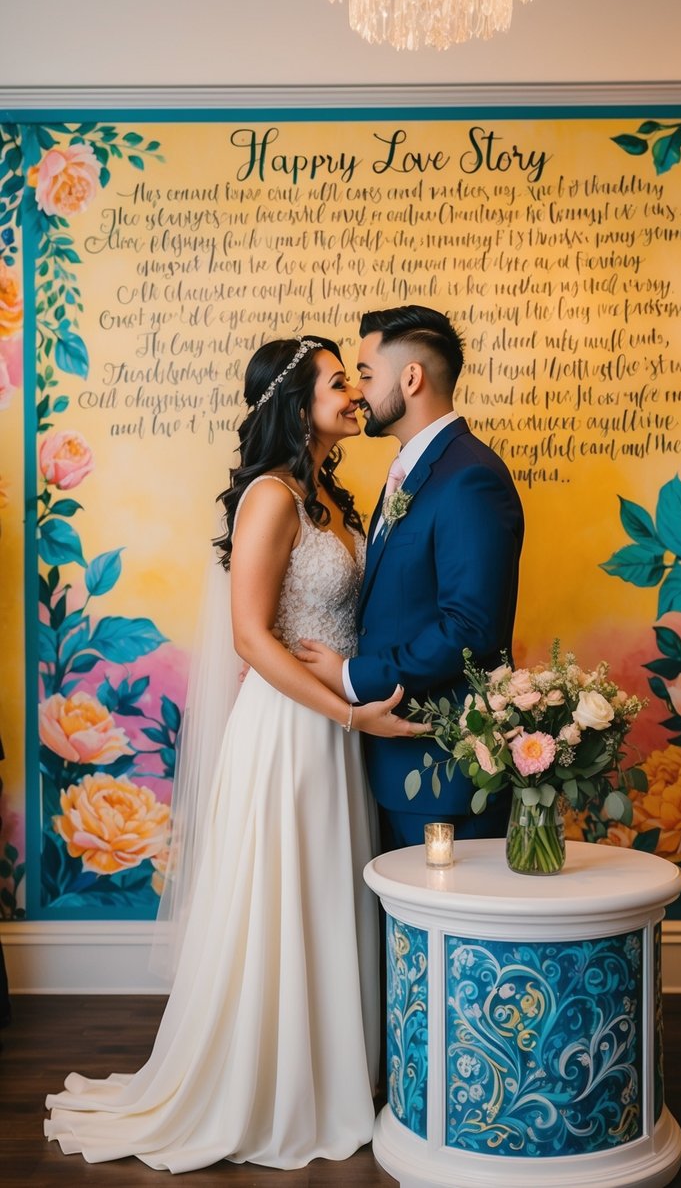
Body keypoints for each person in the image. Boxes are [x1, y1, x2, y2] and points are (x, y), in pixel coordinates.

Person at [44, 335, 427, 1173]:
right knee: (285, 899)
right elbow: (251, 638)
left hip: (333, 728)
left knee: (326, 894)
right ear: (298, 404)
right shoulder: (271, 497)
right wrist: (350, 713)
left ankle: (333, 1076)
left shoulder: (332, 498)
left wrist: (353, 698)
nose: (354, 395)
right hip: (289, 732)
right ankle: (277, 1090)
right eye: (338, 382)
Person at [298, 306, 524, 850]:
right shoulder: (414, 467)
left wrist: (352, 677)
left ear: (412, 378)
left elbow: (469, 628)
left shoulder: (469, 477)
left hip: (443, 774)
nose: (358, 392)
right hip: (392, 763)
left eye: (366, 375)